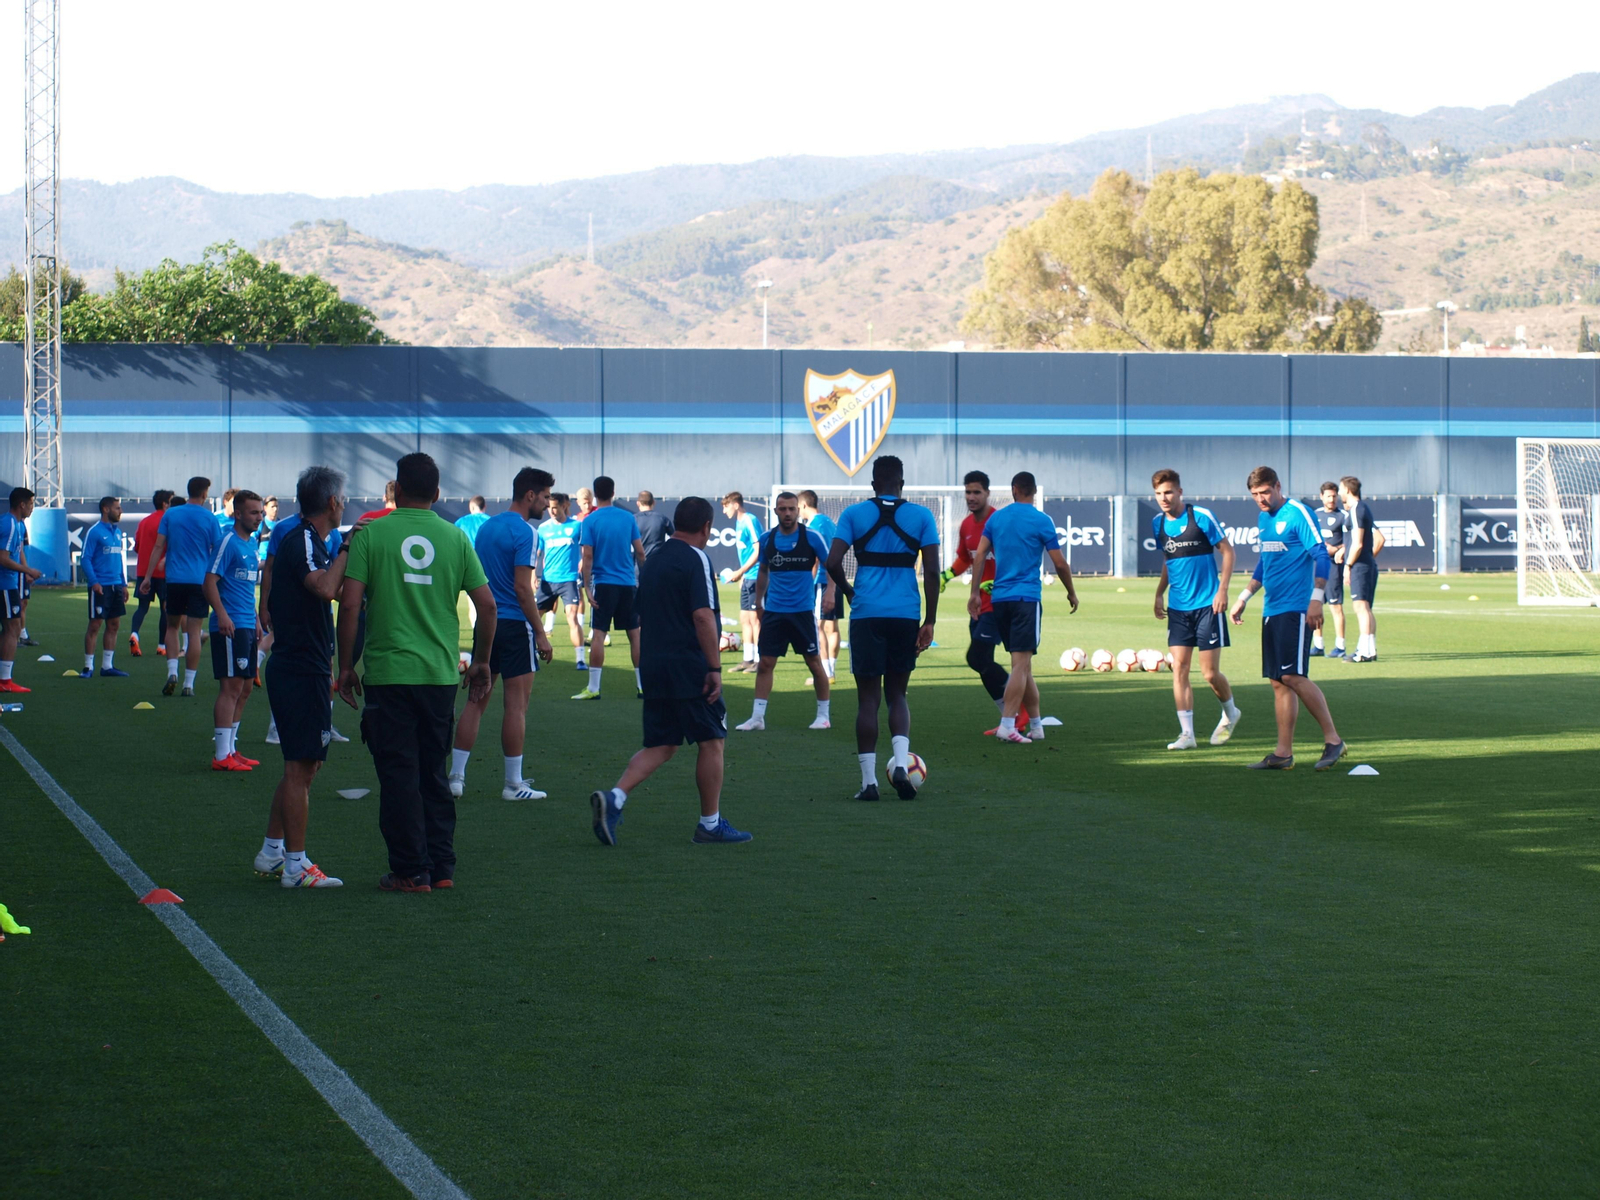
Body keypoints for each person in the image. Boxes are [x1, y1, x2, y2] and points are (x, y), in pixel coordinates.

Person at [338, 452, 495, 893]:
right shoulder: (455, 537)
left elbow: (350, 604)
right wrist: (481, 661)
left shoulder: (372, 532)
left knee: (398, 775)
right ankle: (442, 866)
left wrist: (345, 665)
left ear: (396, 489)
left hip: (389, 673)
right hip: (439, 675)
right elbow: (487, 605)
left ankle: (411, 870)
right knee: (433, 772)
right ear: (438, 493)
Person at [589, 496, 752, 847]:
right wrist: (714, 667)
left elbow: (643, 613)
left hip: (654, 663)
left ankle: (615, 798)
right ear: (707, 528)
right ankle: (710, 824)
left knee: (663, 743)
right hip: (688, 665)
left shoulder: (654, 560)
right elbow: (703, 615)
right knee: (712, 740)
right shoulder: (696, 558)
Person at [256, 466, 355, 889]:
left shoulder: (304, 537)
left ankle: (272, 851)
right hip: (299, 668)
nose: (346, 503)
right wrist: (350, 546)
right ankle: (295, 867)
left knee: (303, 765)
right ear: (332, 502)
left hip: (304, 663)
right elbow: (324, 588)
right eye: (344, 497)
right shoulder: (303, 539)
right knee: (301, 769)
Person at [825, 456, 940, 801]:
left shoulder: (854, 514)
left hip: (867, 613)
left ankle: (869, 784)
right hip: (905, 614)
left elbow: (832, 562)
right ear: (901, 484)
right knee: (897, 694)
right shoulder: (921, 516)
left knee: (868, 699)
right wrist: (929, 620)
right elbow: (933, 573)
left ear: (873, 484)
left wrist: (849, 592)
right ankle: (902, 766)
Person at [1228, 465, 1346, 771]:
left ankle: (1334, 740)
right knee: (1278, 682)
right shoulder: (1263, 518)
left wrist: (1316, 600)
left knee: (1293, 676)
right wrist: (1244, 597)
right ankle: (1283, 753)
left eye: (1265, 492)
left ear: (1278, 486)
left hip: (1296, 608)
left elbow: (1321, 554)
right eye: (1255, 495)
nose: (1261, 499)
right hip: (1272, 609)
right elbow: (1265, 561)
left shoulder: (1298, 513)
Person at [449, 467, 555, 801]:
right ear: (530, 495)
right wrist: (540, 633)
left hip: (486, 623)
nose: (548, 503)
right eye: (546, 496)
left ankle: (456, 777)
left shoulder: (487, 528)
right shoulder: (527, 533)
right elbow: (523, 590)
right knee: (516, 707)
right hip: (514, 625)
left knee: (476, 701)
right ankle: (513, 785)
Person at [968, 472, 1079, 744]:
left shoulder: (997, 518)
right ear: (1033, 492)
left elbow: (980, 554)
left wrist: (974, 593)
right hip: (1026, 600)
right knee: (1021, 664)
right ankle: (1007, 723)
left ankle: (1037, 725)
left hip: (999, 601)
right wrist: (1071, 592)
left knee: (1022, 665)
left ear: (1014, 489)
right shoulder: (1042, 520)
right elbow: (1060, 563)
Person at [1150, 469, 1241, 749]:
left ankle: (1231, 712)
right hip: (1178, 609)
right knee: (1179, 668)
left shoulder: (1201, 516)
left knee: (1210, 674)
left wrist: (1222, 590)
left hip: (1207, 606)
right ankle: (1187, 735)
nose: (1163, 498)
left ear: (1179, 492)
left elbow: (1228, 552)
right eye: (1158, 494)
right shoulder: (1157, 524)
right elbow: (1169, 559)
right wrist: (1159, 592)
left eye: (1168, 492)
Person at [735, 491, 831, 732]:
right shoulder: (767, 539)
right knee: (766, 663)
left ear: (798, 511)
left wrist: (830, 592)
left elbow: (831, 566)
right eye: (782, 509)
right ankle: (757, 718)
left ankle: (823, 716)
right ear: (776, 511)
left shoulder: (812, 537)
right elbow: (763, 571)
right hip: (775, 612)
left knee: (814, 663)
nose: (787, 513)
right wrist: (758, 601)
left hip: (802, 612)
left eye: (791, 509)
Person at [260, 500, 348, 745]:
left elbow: (335, 574)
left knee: (327, 666)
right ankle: (275, 726)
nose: (342, 505)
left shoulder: (331, 535)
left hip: (321, 611)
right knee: (288, 667)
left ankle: (325, 723)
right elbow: (270, 568)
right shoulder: (285, 529)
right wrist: (264, 605)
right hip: (292, 612)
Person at [939, 471, 1012, 720]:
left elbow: (1013, 557)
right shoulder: (967, 525)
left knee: (976, 656)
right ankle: (1009, 717)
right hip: (977, 604)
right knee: (981, 664)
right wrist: (946, 576)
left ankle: (1019, 692)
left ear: (987, 493)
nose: (971, 497)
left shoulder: (999, 521)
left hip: (999, 603)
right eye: (968, 492)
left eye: (976, 492)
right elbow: (964, 558)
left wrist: (998, 582)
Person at [143, 475, 221, 698]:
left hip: (175, 579)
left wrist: (148, 576)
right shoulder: (209, 518)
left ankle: (172, 672)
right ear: (205, 493)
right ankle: (189, 684)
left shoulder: (171, 514)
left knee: (172, 627)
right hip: (199, 581)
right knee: (194, 632)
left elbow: (159, 547)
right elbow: (217, 551)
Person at [204, 490, 265, 772]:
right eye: (254, 512)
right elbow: (209, 582)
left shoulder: (252, 544)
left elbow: (245, 588)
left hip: (245, 625)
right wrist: (223, 615)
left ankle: (231, 748)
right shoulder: (227, 541)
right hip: (228, 626)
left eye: (261, 512)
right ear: (238, 513)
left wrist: (255, 621)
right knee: (230, 688)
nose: (259, 517)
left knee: (245, 688)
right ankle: (220, 756)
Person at [573, 475, 645, 701]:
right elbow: (640, 553)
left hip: (604, 585)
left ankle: (594, 688)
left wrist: (587, 587)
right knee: (635, 636)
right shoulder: (628, 518)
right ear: (614, 493)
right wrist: (646, 580)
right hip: (627, 584)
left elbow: (588, 555)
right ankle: (643, 686)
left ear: (595, 495)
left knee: (598, 635)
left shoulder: (590, 521)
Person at [80, 496, 132, 679]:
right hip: (100, 586)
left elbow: (118, 559)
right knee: (95, 625)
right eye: (118, 508)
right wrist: (94, 582)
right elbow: (85, 559)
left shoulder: (117, 532)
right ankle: (88, 667)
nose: (121, 511)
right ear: (106, 509)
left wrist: (123, 584)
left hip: (116, 585)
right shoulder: (94, 532)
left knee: (114, 624)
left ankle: (107, 666)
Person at [536, 493, 587, 671]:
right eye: (549, 507)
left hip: (568, 580)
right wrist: (534, 574)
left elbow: (586, 549)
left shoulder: (577, 526)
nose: (551, 511)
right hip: (548, 581)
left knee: (572, 617)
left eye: (555, 507)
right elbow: (537, 554)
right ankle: (533, 651)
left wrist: (583, 561)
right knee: (533, 617)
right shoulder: (543, 528)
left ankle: (580, 659)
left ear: (563, 507)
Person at [1338, 476, 1384, 663]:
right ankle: (1369, 649)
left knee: (1361, 607)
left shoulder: (1357, 509)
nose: (1340, 492)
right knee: (1366, 608)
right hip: (1365, 563)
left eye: (1341, 489)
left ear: (1348, 490)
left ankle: (1363, 652)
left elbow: (1357, 543)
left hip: (1360, 565)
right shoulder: (1361, 509)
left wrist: (1349, 565)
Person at [797, 491, 841, 679]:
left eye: (797, 507)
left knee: (818, 626)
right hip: (836, 579)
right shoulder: (830, 522)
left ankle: (825, 672)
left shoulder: (813, 526)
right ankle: (831, 669)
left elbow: (815, 558)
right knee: (833, 627)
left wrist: (807, 582)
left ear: (804, 506)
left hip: (822, 582)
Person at [0, 488, 39, 693]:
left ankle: (4, 679)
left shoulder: (16, 525)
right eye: (31, 503)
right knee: (12, 629)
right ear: (21, 504)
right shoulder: (10, 525)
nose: (33, 507)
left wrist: (25, 574)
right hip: (4, 584)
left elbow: (16, 553)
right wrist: (28, 570)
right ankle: (5, 681)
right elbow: (3, 558)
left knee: (12, 629)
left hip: (9, 583)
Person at [721, 492, 765, 673]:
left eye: (726, 506)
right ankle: (747, 659)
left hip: (757, 575)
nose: (724, 511)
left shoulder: (749, 520)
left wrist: (741, 572)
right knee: (744, 618)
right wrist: (743, 576)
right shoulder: (738, 523)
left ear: (736, 505)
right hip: (748, 577)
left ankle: (760, 660)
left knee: (755, 619)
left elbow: (758, 549)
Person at [131, 489, 173, 656]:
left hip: (144, 571)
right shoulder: (168, 521)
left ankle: (134, 634)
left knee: (142, 607)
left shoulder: (144, 522)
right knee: (165, 609)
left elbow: (137, 547)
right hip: (163, 572)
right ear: (165, 504)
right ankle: (162, 645)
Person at [1311, 482, 1349, 660]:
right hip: (1316, 566)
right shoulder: (1315, 515)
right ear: (1321, 497)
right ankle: (1318, 645)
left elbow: (1351, 540)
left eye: (1334, 496)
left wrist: (1337, 548)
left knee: (1335, 606)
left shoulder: (1344, 516)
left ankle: (1340, 646)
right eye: (1328, 496)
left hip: (1334, 567)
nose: (1332, 499)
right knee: (1316, 604)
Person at [635, 491, 674, 558]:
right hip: (658, 562)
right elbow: (674, 538)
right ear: (654, 502)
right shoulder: (662, 519)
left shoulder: (632, 520)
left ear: (638, 503)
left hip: (638, 564)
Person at [256, 495, 279, 564]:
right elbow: (251, 540)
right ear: (265, 508)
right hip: (263, 561)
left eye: (276, 506)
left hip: (276, 562)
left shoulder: (280, 525)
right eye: (272, 507)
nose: (275, 509)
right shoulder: (260, 524)